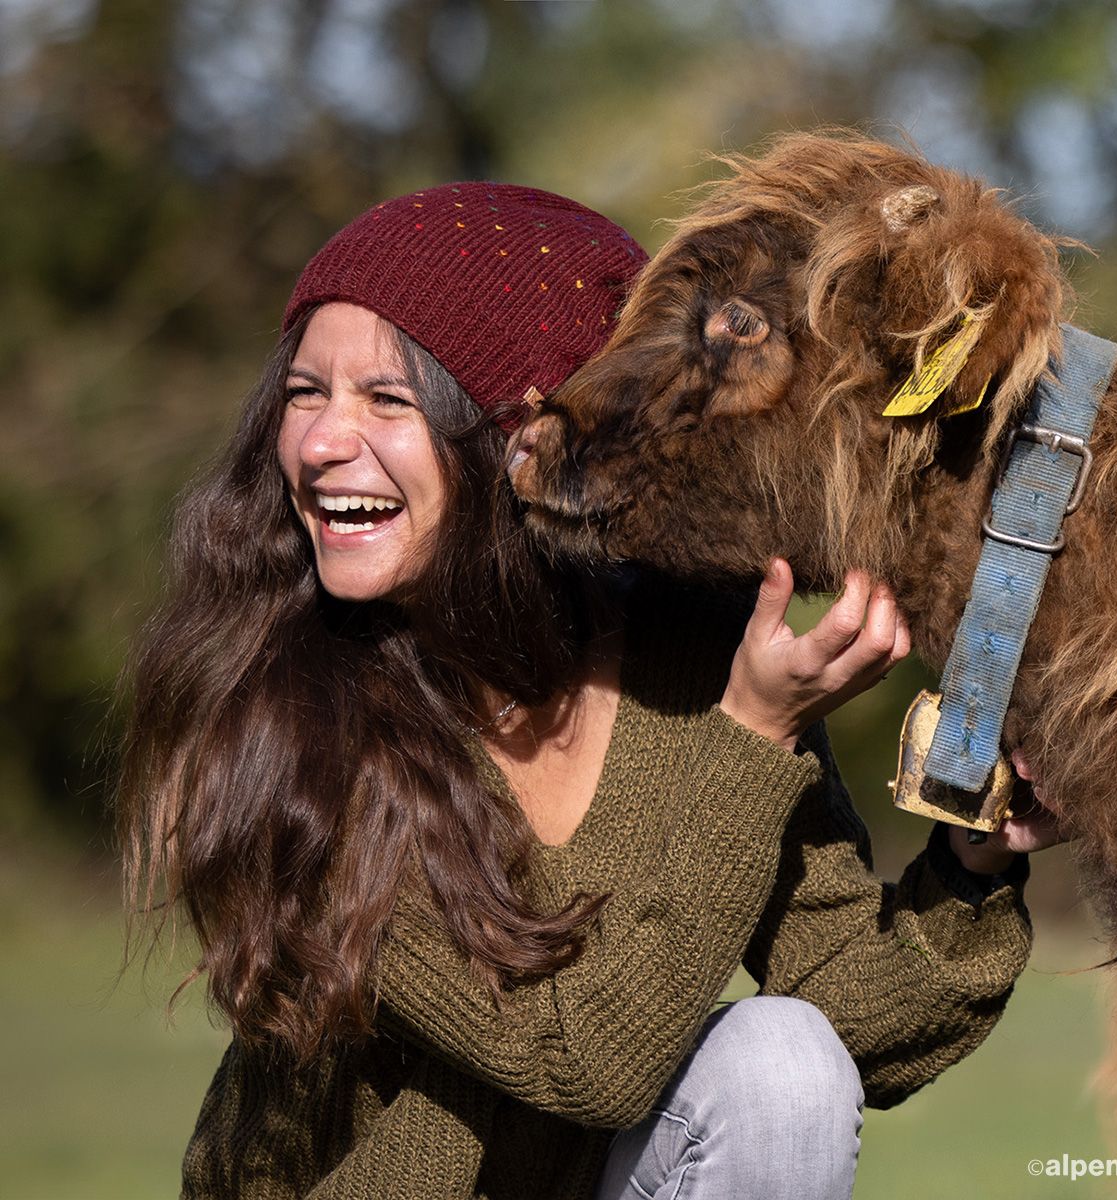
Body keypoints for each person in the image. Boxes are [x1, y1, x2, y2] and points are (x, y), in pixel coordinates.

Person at [118, 181, 1064, 1200]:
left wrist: (971, 860)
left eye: (388, 401)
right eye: (305, 393)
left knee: (782, 1063)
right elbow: (584, 1060)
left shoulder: (694, 648)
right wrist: (752, 736)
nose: (317, 444)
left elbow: (860, 1029)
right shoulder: (294, 715)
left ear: (523, 437)